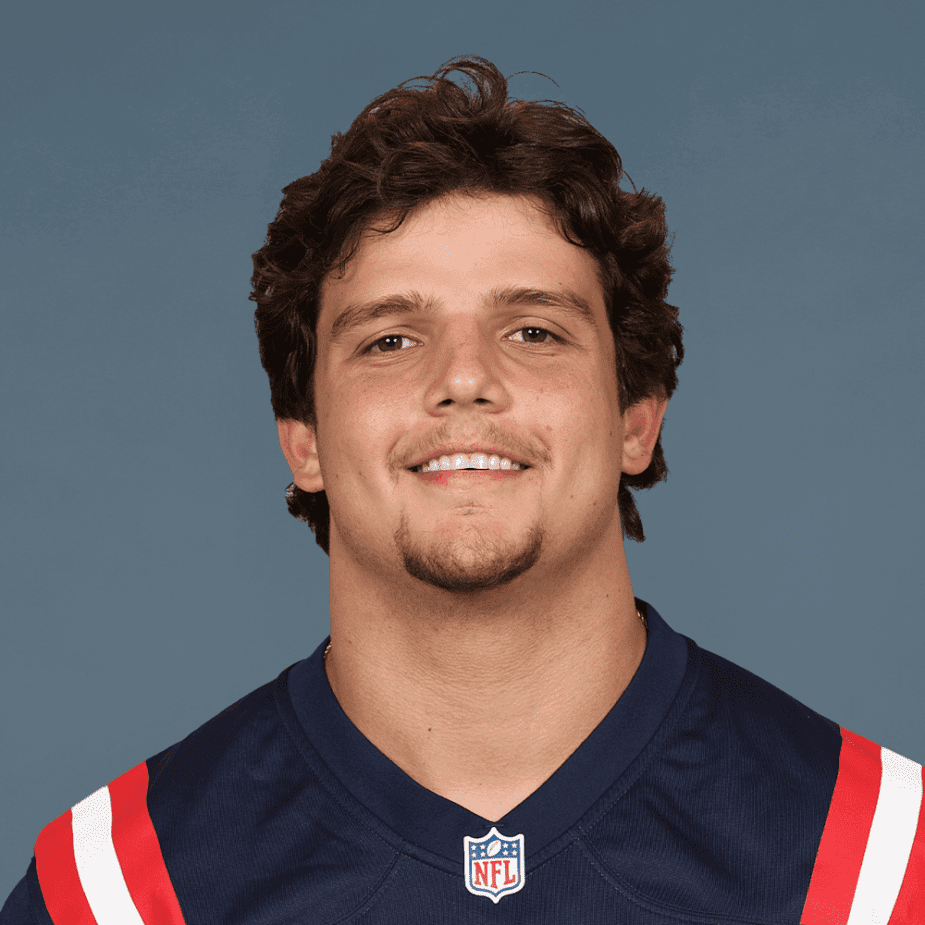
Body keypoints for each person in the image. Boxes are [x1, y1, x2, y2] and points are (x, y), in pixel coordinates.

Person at [3, 55, 923, 924]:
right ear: (303, 440)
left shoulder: (875, 869)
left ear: (636, 419)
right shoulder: (125, 891)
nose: (464, 378)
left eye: (533, 331)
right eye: (389, 340)